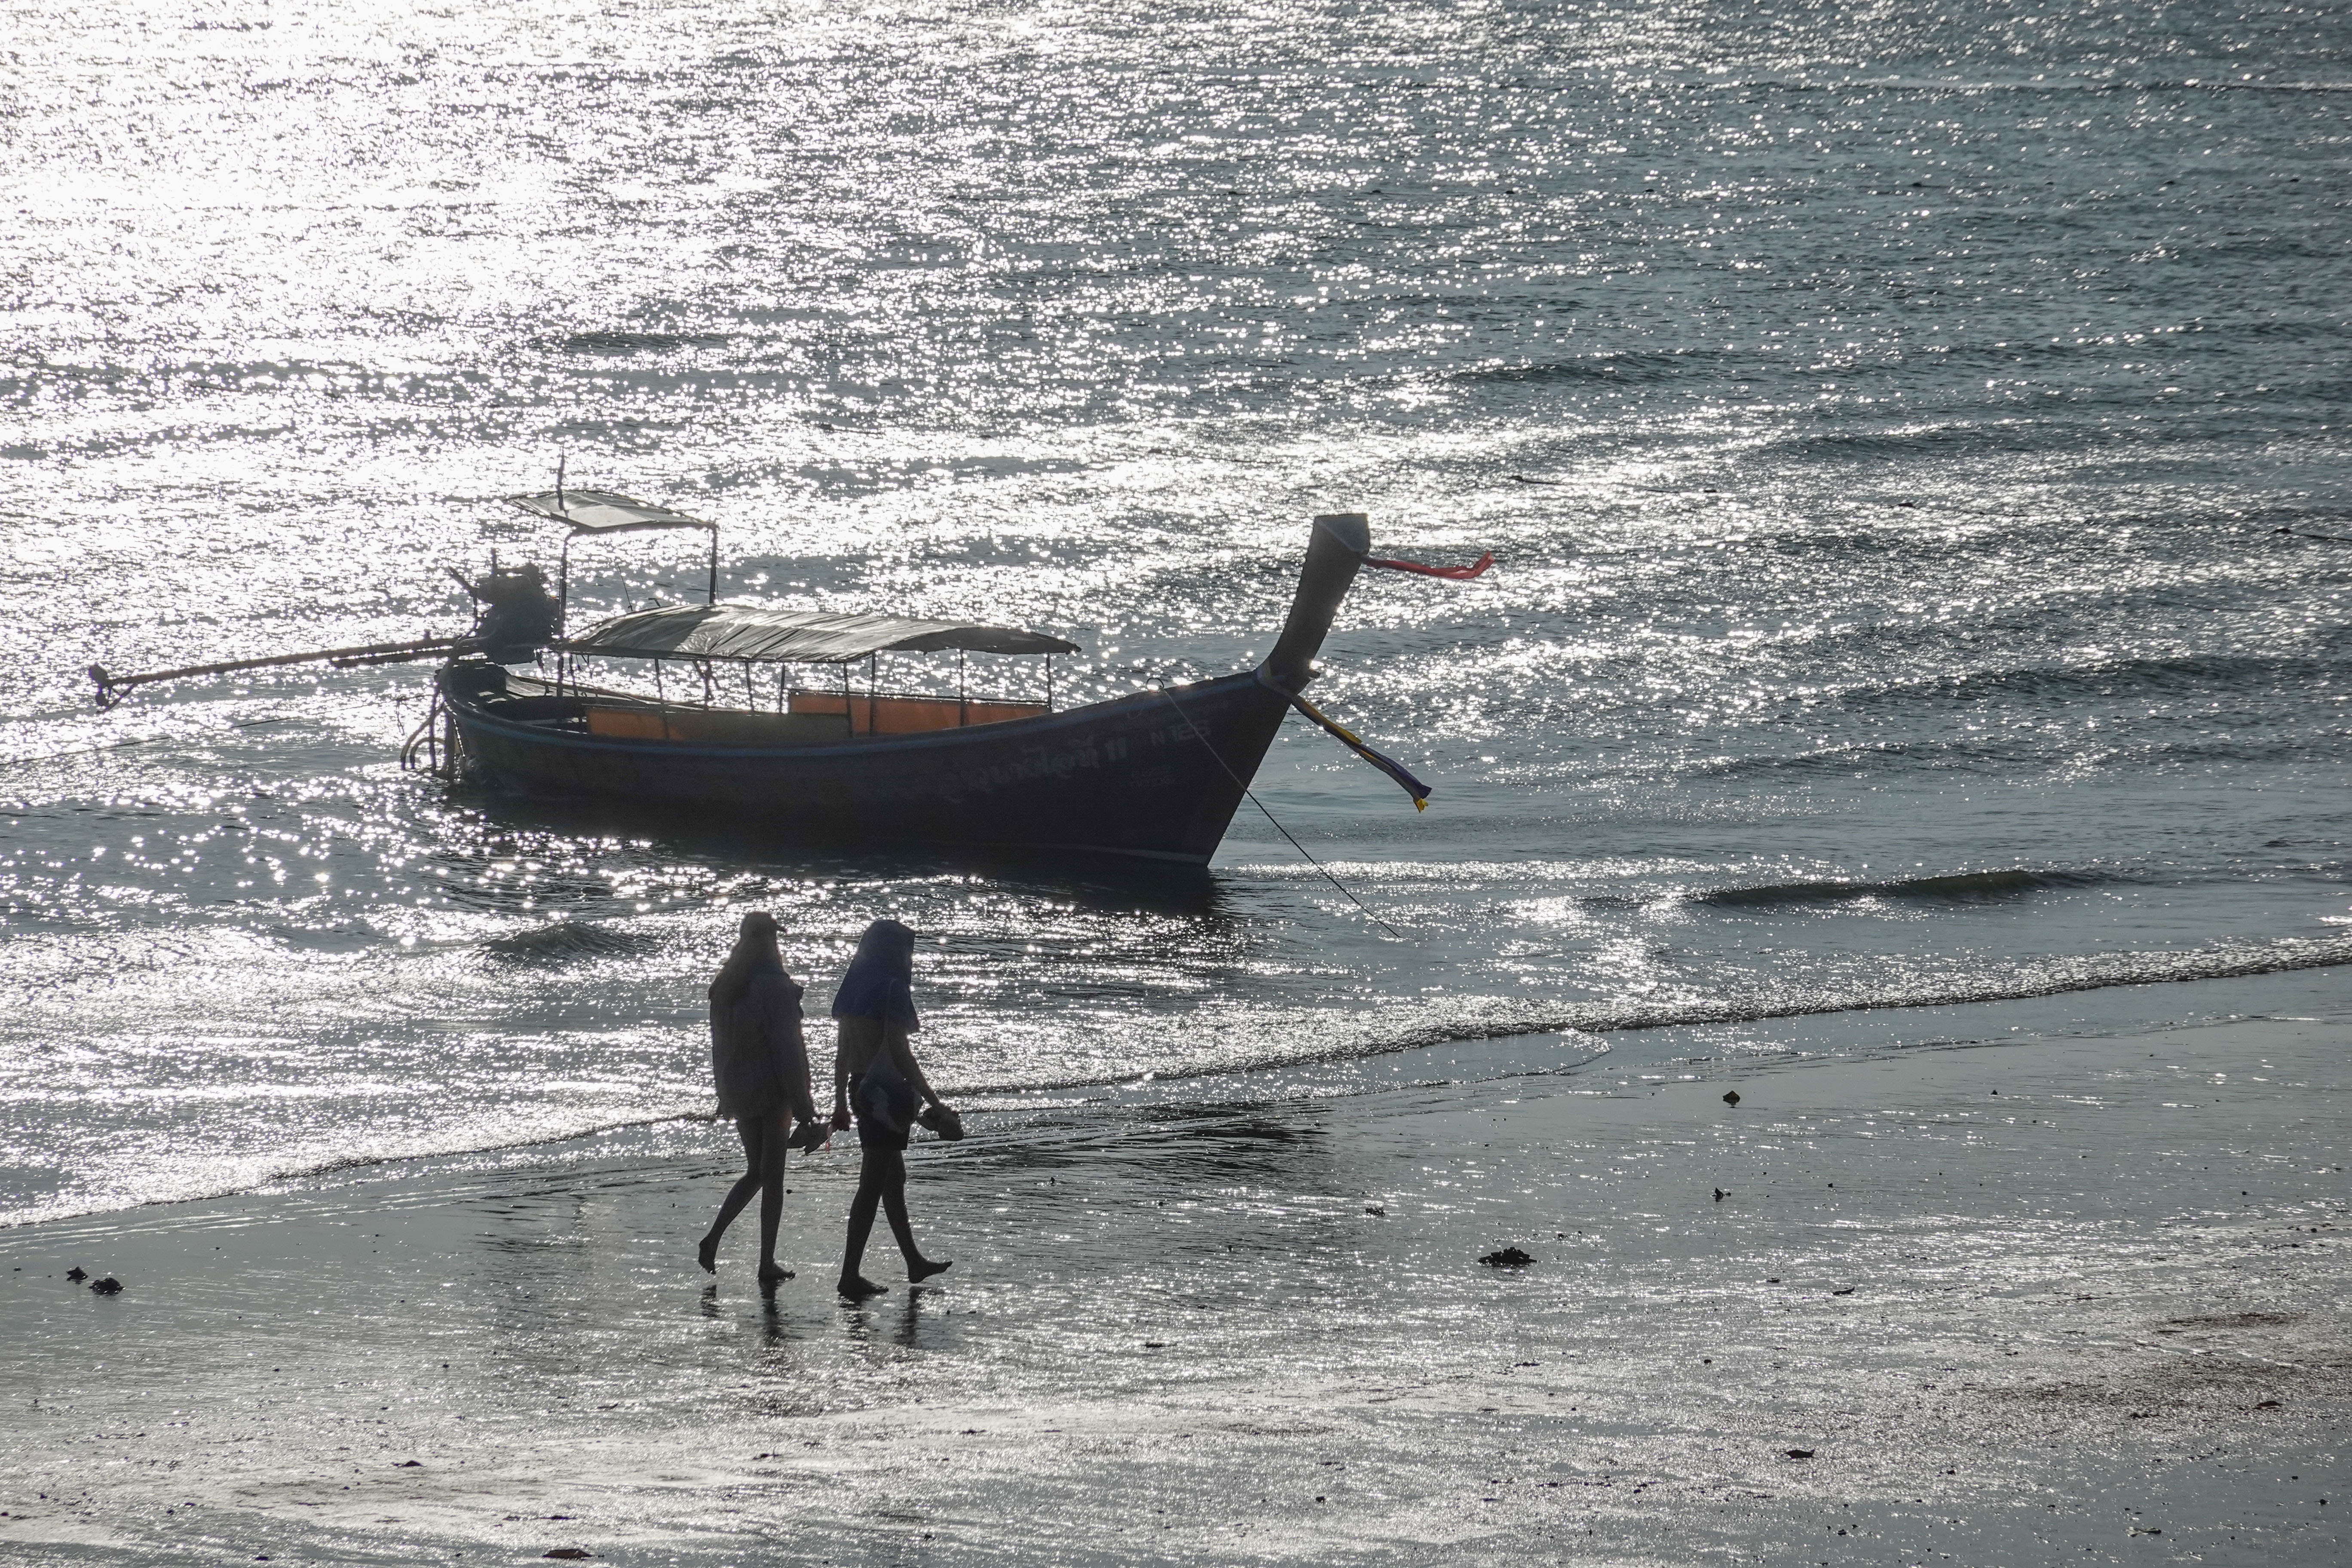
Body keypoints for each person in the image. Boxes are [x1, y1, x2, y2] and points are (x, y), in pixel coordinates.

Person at [830, 919, 955, 1298]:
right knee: (871, 1187)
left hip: (861, 1088)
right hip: (887, 1094)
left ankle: (913, 1261)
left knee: (892, 1181)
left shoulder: (852, 988)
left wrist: (839, 1101)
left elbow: (843, 1052)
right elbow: (901, 1055)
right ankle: (849, 1275)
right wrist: (937, 1103)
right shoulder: (893, 989)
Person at [697, 910, 820, 1284]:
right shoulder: (775, 987)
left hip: (738, 1087)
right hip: (772, 1088)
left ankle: (713, 1238)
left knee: (757, 1171)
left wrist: (724, 1092)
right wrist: (804, 1108)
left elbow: (719, 1045)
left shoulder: (726, 985)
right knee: (772, 1176)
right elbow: (788, 1050)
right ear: (772, 940)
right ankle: (766, 1262)